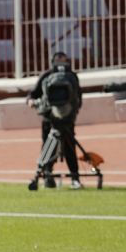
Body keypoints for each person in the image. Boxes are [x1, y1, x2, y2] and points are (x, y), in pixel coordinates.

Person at [26, 52, 83, 189]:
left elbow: (77, 97)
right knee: (48, 146)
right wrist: (31, 101)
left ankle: (74, 177)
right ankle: (47, 175)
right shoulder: (47, 76)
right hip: (50, 119)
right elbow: (33, 94)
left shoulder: (71, 76)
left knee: (69, 147)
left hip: (66, 118)